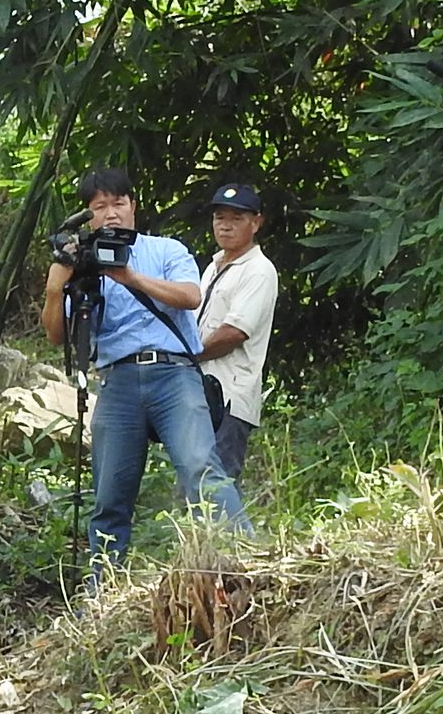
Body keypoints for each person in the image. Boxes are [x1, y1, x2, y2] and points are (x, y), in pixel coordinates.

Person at [43, 167, 248, 572]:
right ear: (88, 216)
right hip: (116, 380)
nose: (111, 214)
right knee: (109, 493)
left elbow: (191, 297)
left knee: (199, 465)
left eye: (118, 203)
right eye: (100, 207)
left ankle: (245, 559)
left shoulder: (165, 250)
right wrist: (55, 287)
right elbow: (55, 335)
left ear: (133, 206)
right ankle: (102, 591)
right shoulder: (81, 265)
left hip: (173, 373)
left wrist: (131, 277)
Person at [196, 179, 279, 480]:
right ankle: (193, 530)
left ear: (256, 223)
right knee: (195, 476)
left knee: (218, 480)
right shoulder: (213, 265)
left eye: (237, 218)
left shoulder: (259, 270)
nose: (226, 226)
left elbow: (233, 333)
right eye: (220, 217)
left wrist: (186, 356)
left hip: (229, 396)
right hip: (201, 389)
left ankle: (228, 529)